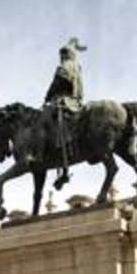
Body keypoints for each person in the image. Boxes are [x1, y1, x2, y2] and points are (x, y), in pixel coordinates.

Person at [43, 37, 86, 188]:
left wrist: (47, 95)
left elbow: (58, 82)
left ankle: (47, 154)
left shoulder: (65, 66)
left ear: (67, 54)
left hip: (64, 101)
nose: (61, 57)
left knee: (44, 122)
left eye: (63, 54)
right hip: (76, 101)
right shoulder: (77, 67)